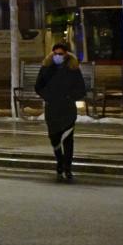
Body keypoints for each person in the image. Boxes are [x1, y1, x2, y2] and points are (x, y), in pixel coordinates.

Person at [33, 42, 82, 182]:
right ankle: (60, 160)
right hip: (52, 108)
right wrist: (47, 96)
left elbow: (80, 88)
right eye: (55, 54)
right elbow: (38, 86)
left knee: (68, 139)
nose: (57, 56)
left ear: (66, 54)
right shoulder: (47, 67)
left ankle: (68, 168)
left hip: (67, 109)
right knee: (54, 138)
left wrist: (70, 97)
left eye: (60, 54)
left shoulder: (73, 68)